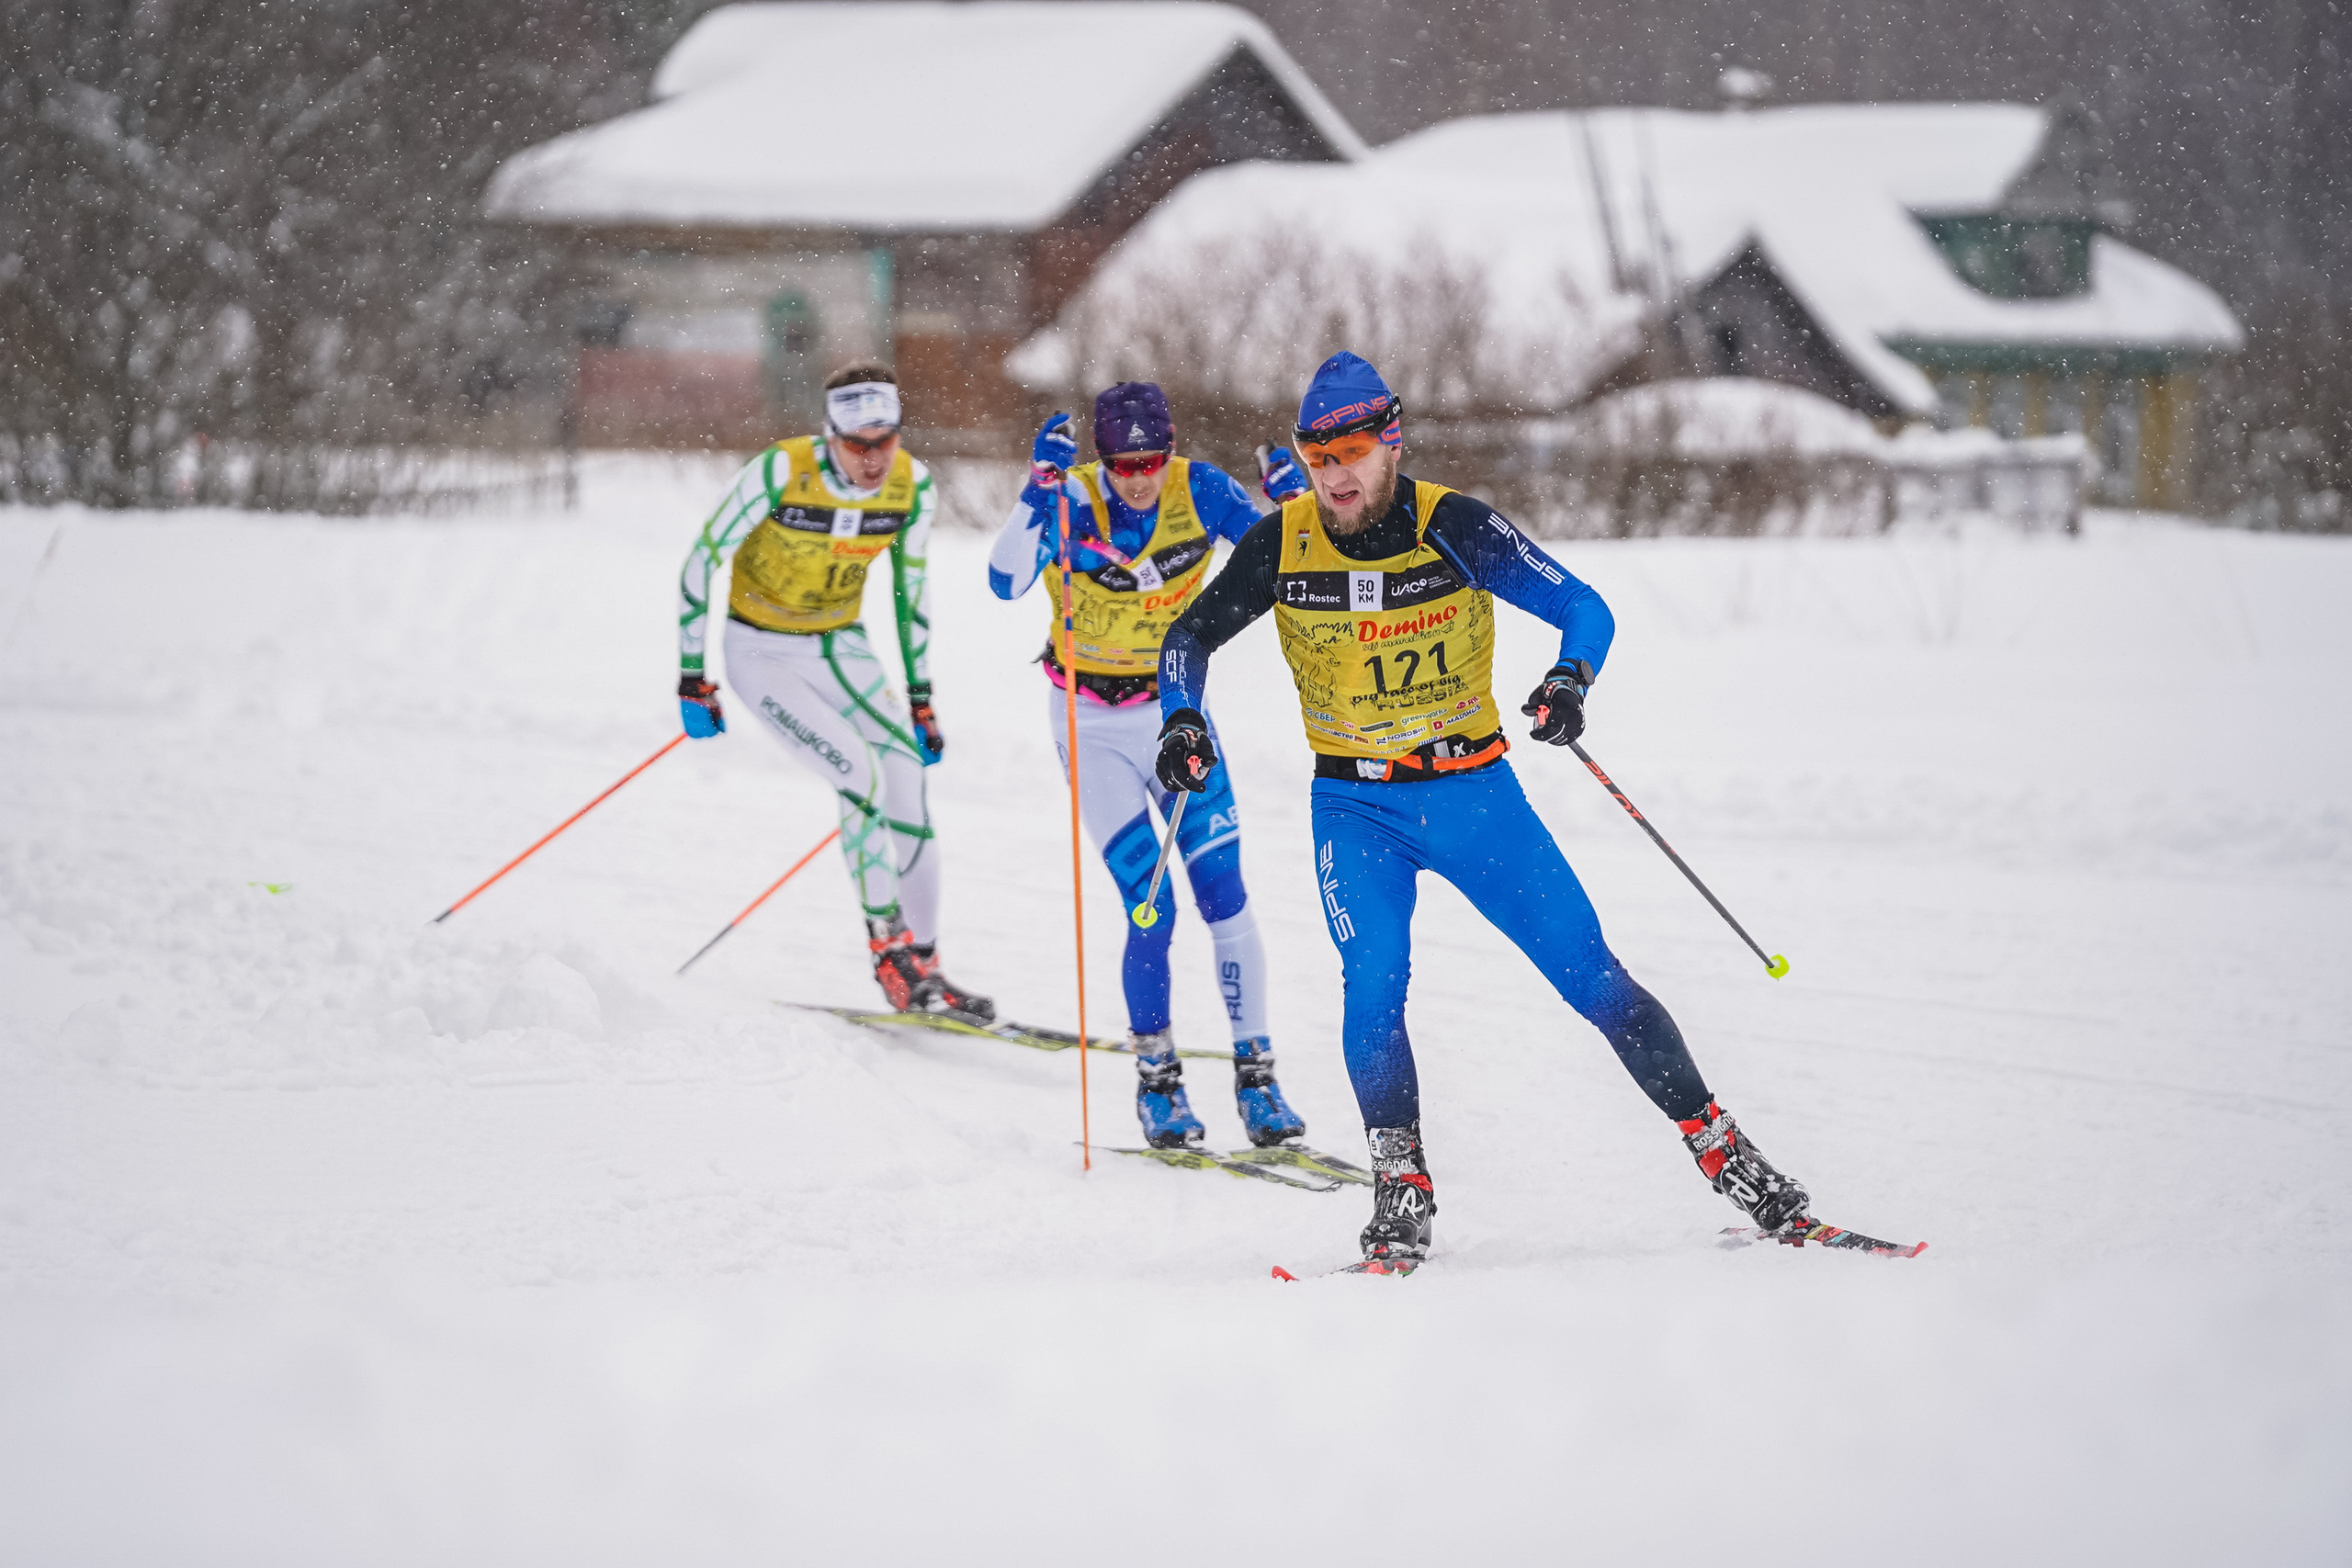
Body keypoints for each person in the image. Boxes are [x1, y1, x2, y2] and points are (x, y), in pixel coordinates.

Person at [1153, 352, 1815, 1270]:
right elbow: (1187, 636)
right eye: (1316, 459)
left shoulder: (1453, 525)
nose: (1334, 477)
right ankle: (1401, 1188)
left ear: (1389, 443)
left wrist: (1567, 679)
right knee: (1373, 983)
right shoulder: (1282, 542)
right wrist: (1181, 717)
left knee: (1593, 980)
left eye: (1350, 453)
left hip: (1473, 797)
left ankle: (1725, 1152)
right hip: (1354, 808)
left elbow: (1582, 606)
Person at [989, 383, 1309, 1150]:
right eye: (1123, 462)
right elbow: (1003, 582)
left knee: (1224, 895)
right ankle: (1158, 1081)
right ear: (1102, 457)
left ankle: (1257, 1076)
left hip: (1173, 714)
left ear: (1172, 449)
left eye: (1152, 459)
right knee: (1151, 906)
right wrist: (1037, 491)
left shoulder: (1200, 489)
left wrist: (1293, 508)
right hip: (1091, 721)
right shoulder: (1070, 500)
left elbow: (1286, 565)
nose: (1138, 476)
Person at [675, 361, 991, 1019]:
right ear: (830, 436)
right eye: (858, 443)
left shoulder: (912, 487)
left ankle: (926, 965)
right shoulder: (782, 471)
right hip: (760, 647)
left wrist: (922, 696)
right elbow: (702, 560)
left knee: (905, 779)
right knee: (859, 774)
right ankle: (888, 951)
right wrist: (692, 674)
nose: (874, 458)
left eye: (886, 439)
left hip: (839, 645)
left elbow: (911, 595)